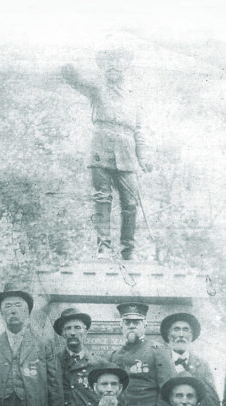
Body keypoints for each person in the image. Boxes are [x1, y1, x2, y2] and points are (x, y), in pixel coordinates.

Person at [61, 46, 151, 260]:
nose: (113, 65)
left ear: (124, 67)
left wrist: (144, 157)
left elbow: (139, 130)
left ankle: (128, 250)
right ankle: (104, 247)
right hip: (101, 148)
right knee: (102, 198)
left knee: (130, 203)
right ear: (102, 67)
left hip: (127, 152)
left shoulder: (134, 97)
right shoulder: (96, 88)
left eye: (118, 61)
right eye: (108, 61)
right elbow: (74, 79)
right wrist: (67, 61)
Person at [109, 301, 174, 406]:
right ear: (121, 326)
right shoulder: (115, 355)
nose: (132, 326)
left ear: (145, 326)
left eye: (136, 322)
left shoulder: (157, 351)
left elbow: (167, 390)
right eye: (127, 323)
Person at [160, 311, 222, 406]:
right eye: (176, 329)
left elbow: (212, 402)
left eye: (186, 330)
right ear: (168, 336)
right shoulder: (160, 363)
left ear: (191, 336)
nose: (181, 335)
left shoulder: (202, 365)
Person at [54, 307, 105, 406]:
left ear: (85, 332)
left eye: (77, 327)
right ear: (62, 333)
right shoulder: (53, 362)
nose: (73, 332)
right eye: (68, 328)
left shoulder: (99, 364)